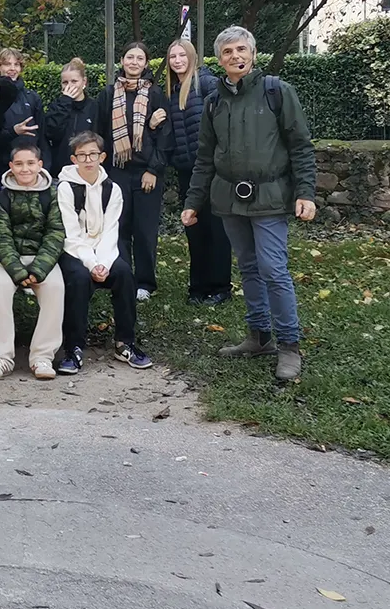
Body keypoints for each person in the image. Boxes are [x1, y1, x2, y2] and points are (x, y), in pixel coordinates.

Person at [183, 26, 317, 382]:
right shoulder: (213, 101)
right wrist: (193, 201)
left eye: (241, 50)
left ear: (253, 54)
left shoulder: (276, 92)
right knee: (248, 267)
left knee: (274, 269)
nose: (235, 57)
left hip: (271, 198)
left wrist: (305, 192)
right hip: (229, 199)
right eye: (227, 52)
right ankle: (259, 337)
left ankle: (289, 345)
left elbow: (301, 146)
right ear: (220, 59)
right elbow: (204, 157)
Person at [57, 131, 150, 375]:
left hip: (104, 252)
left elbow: (111, 231)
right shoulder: (65, 188)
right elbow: (71, 234)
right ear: (73, 159)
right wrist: (91, 263)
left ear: (103, 156)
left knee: (124, 274)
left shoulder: (113, 190)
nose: (88, 160)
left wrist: (105, 264)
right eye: (82, 155)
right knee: (77, 279)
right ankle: (74, 347)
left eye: (93, 154)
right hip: (75, 251)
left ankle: (125, 342)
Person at [0, 142, 66, 380]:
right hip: (9, 259)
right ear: (11, 166)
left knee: (55, 287)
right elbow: (0, 236)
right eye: (19, 164)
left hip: (42, 258)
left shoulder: (52, 194)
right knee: (0, 287)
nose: (25, 169)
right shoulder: (3, 195)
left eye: (30, 163)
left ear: (40, 165)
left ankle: (42, 356)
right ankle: (1, 357)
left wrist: (39, 270)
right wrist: (18, 272)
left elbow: (55, 233)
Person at [164, 39, 232, 305]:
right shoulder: (171, 90)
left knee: (216, 229)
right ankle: (198, 287)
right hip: (186, 171)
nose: (177, 60)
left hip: (211, 170)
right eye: (172, 56)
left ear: (192, 57)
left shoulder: (206, 83)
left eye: (182, 55)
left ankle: (220, 287)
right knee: (194, 228)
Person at [102, 42, 172, 302]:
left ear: (146, 64)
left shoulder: (155, 94)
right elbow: (101, 133)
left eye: (139, 58)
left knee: (144, 230)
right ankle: (121, 277)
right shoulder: (108, 95)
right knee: (118, 227)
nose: (133, 62)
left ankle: (145, 282)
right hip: (117, 171)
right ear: (122, 60)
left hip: (146, 172)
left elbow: (166, 136)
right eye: (129, 57)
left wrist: (153, 169)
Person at [0, 48, 48, 183]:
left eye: (16, 64)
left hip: (30, 169)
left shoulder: (32, 97)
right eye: (7, 64)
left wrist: (45, 164)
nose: (12, 68)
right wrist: (13, 132)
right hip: (1, 167)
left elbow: (42, 135)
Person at [44, 58, 100, 175]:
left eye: (74, 81)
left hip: (88, 170)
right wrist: (65, 103)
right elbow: (52, 133)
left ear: (84, 82)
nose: (70, 86)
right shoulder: (56, 106)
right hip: (60, 171)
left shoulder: (95, 107)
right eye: (65, 82)